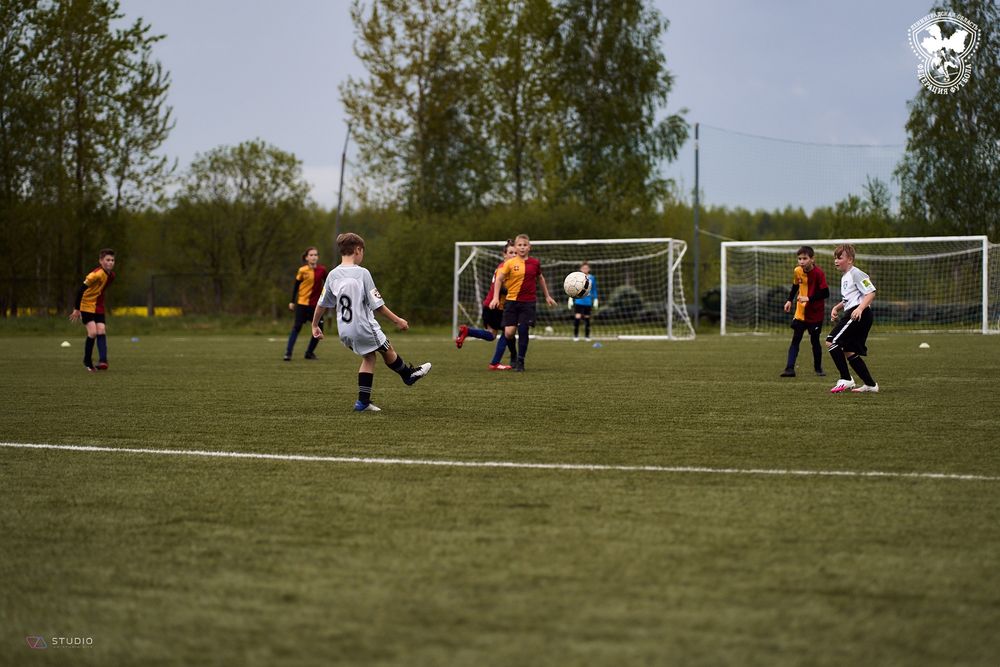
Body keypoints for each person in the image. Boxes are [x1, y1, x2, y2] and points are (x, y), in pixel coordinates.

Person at [311, 233, 431, 412]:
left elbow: (321, 304)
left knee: (370, 356)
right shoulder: (362, 273)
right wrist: (398, 320)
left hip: (344, 330)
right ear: (358, 250)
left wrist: (314, 325)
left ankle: (363, 402)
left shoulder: (333, 275)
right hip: (363, 326)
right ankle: (408, 375)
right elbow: (378, 306)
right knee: (386, 348)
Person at [489, 233, 557, 372]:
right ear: (515, 247)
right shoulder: (509, 263)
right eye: (519, 245)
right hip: (511, 302)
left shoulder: (535, 263)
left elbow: (540, 278)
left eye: (525, 245)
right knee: (509, 333)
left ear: (529, 247)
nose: (522, 247)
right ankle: (513, 354)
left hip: (528, 303)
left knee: (523, 329)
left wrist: (547, 296)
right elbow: (499, 279)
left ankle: (521, 361)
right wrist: (495, 298)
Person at [455, 240, 518, 370]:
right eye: (511, 252)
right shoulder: (503, 268)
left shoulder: (509, 268)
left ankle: (467, 331)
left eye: (515, 253)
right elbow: (501, 289)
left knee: (491, 335)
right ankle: (495, 363)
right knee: (507, 332)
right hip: (495, 307)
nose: (513, 255)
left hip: (491, 306)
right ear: (504, 255)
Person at [826, 244, 879, 394]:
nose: (836, 261)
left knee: (831, 341)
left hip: (859, 314)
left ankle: (846, 379)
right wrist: (836, 308)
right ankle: (870, 385)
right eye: (835, 258)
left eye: (839, 258)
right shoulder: (845, 277)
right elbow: (848, 299)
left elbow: (871, 292)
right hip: (856, 313)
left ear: (850, 260)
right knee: (849, 350)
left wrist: (860, 308)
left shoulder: (857, 273)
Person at [780, 246, 829, 377]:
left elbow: (826, 293)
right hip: (801, 313)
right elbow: (795, 285)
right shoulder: (797, 271)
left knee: (815, 341)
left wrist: (808, 298)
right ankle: (789, 369)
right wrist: (789, 300)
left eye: (805, 258)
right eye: (799, 259)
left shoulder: (819, 273)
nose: (801, 261)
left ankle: (818, 368)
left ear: (812, 259)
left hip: (815, 314)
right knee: (796, 339)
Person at [69, 248, 116, 372]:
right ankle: (87, 361)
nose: (110, 262)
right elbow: (81, 290)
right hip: (86, 305)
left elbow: (100, 290)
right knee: (93, 332)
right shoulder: (95, 275)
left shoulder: (111, 275)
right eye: (107, 260)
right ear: (101, 261)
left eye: (112, 260)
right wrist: (77, 309)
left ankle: (103, 361)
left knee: (101, 330)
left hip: (98, 306)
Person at [284, 246, 328, 361]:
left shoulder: (322, 270)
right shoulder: (302, 270)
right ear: (306, 257)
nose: (314, 257)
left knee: (319, 329)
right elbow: (296, 286)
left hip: (316, 306)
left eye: (315, 255)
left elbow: (328, 284)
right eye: (311, 255)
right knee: (297, 327)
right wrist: (292, 301)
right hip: (302, 305)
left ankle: (309, 353)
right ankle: (288, 353)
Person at [569, 261, 599, 341]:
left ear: (589, 269)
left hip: (588, 301)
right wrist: (571, 298)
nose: (585, 269)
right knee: (577, 317)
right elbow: (572, 288)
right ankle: (576, 336)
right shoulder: (578, 277)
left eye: (586, 268)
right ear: (581, 269)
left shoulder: (592, 278)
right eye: (583, 268)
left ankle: (587, 336)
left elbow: (594, 289)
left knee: (587, 318)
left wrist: (596, 299)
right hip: (579, 301)